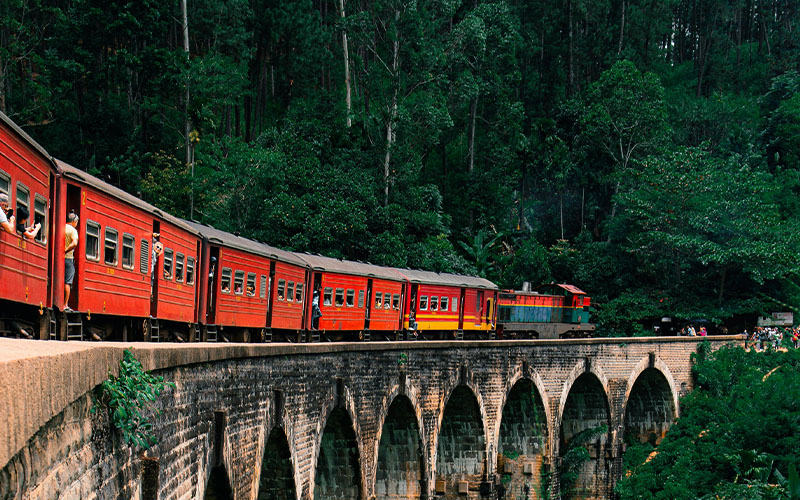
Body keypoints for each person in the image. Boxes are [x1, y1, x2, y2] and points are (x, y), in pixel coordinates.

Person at [64, 212, 79, 312]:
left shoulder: (62, 227)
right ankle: (65, 304)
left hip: (59, 259)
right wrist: (65, 250)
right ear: (74, 221)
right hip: (68, 258)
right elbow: (74, 243)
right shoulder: (73, 230)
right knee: (68, 282)